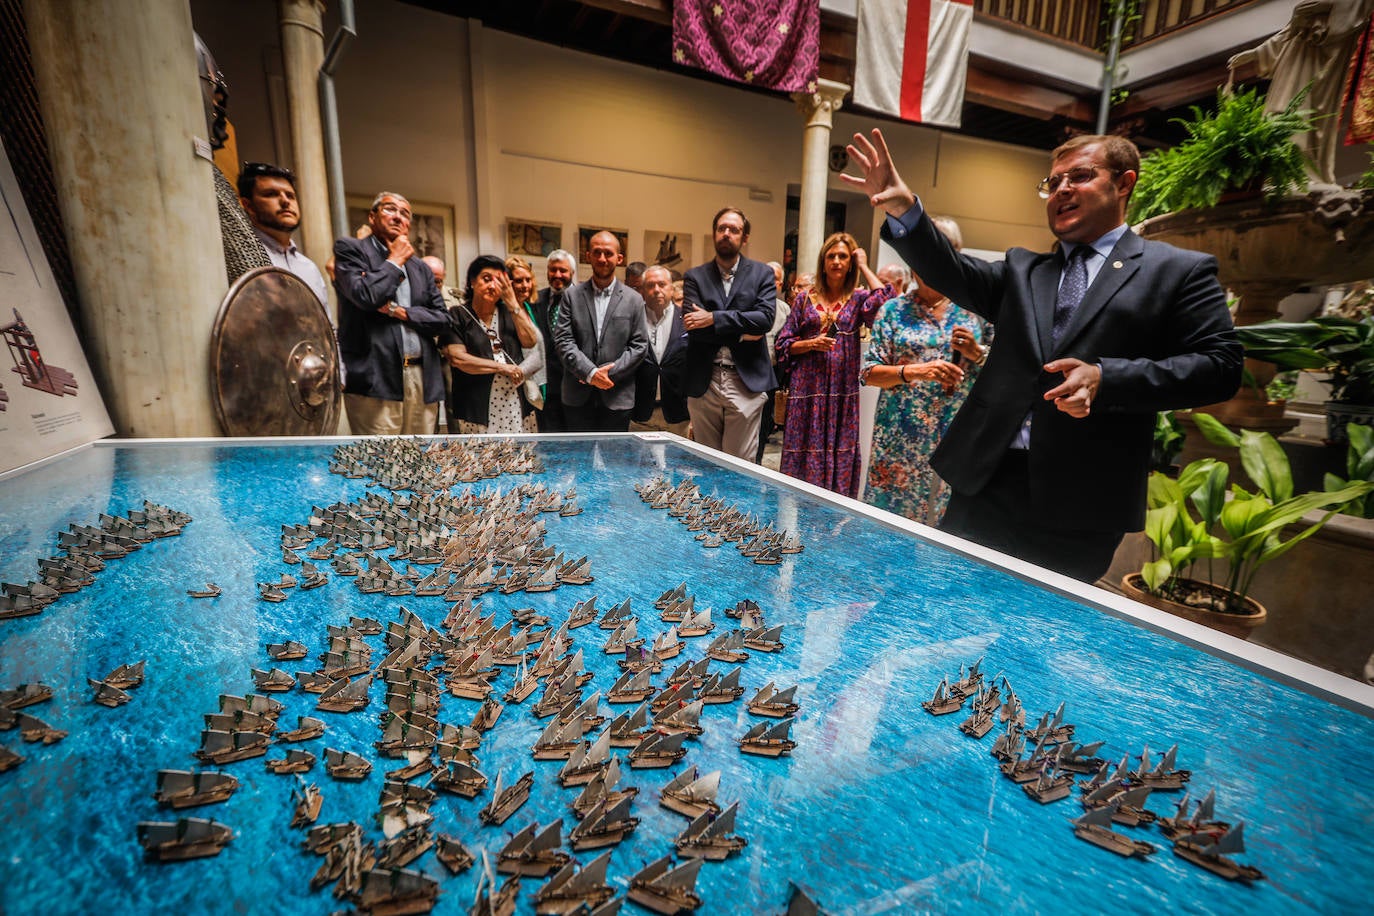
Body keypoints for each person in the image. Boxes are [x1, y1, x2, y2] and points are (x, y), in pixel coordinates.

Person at [842, 128, 1242, 581]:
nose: (1062, 189)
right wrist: (903, 208)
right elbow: (949, 270)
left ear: (1124, 182)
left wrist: (1107, 378)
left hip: (1082, 499)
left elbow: (1221, 366)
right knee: (946, 610)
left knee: (1037, 637)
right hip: (987, 483)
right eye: (1053, 183)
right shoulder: (1023, 270)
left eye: (1081, 176)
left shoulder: (1176, 271)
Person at [862, 267, 987, 525]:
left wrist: (977, 353)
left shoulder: (974, 311)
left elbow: (1007, 368)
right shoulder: (893, 311)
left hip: (956, 436)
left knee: (950, 531)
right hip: (899, 437)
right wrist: (916, 371)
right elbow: (869, 373)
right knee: (889, 529)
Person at [774, 232, 893, 496]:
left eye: (843, 256)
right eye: (831, 256)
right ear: (823, 261)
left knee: (840, 456)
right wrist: (811, 344)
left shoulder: (859, 298)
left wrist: (863, 264)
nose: (837, 261)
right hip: (807, 392)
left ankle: (833, 524)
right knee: (803, 461)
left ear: (850, 262)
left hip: (842, 393)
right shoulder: (804, 298)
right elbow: (782, 344)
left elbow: (885, 306)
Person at [333, 191, 452, 435]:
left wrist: (398, 311)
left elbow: (442, 320)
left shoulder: (421, 268)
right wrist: (395, 260)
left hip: (422, 379)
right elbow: (366, 296)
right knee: (381, 465)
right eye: (390, 209)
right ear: (372, 216)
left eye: (405, 213)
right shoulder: (351, 250)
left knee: (419, 463)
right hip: (377, 378)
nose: (398, 217)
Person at [1227, 0, 1374, 186]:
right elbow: (1290, 31)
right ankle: (1280, 175)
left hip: (1318, 59)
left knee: (1302, 117)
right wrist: (1256, 53)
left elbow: (1352, 12)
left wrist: (1314, 8)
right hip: (1293, 58)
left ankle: (1300, 174)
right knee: (1278, 117)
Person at [681, 207, 777, 461]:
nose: (726, 233)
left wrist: (712, 317)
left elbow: (765, 319)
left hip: (745, 381)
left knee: (739, 467)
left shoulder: (762, 274)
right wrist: (741, 333)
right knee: (706, 464)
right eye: (721, 228)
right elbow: (693, 327)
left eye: (733, 230)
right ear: (714, 234)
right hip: (705, 378)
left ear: (744, 238)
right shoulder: (695, 277)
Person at [552, 231, 649, 432]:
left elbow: (639, 346)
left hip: (617, 395)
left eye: (608, 253)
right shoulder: (571, 296)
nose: (602, 259)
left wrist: (605, 374)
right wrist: (589, 372)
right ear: (588, 256)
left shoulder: (634, 299)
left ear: (619, 258)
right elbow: (563, 340)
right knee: (578, 461)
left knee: (615, 461)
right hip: (577, 397)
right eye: (597, 252)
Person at [438, 255, 542, 434]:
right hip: (476, 405)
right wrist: (501, 368)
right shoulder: (458, 314)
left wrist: (512, 303)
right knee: (480, 458)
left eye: (498, 281)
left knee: (518, 458)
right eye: (486, 279)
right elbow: (458, 358)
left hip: (515, 403)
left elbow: (530, 341)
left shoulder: (509, 312)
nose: (493, 286)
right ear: (472, 281)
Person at [237, 161, 328, 306]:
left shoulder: (309, 268)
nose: (285, 201)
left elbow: (326, 327)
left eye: (290, 196)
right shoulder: (239, 260)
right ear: (248, 205)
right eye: (271, 194)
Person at [631, 265, 690, 437]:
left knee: (678, 464)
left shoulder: (687, 319)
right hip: (641, 413)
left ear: (671, 288)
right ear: (642, 290)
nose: (657, 290)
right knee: (639, 464)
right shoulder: (632, 318)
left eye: (662, 284)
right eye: (650, 285)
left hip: (678, 414)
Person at [530, 249, 577, 431]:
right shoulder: (535, 300)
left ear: (572, 273)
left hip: (575, 387)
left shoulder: (583, 299)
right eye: (553, 270)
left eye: (563, 270)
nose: (558, 275)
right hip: (545, 386)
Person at [756, 260, 792, 462]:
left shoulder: (785, 310)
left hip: (770, 377)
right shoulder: (747, 303)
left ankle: (757, 464)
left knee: (764, 426)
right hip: (744, 375)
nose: (770, 282)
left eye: (775, 279)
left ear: (781, 284)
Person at [506, 255, 546, 410]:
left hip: (533, 384)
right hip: (513, 387)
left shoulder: (528, 308)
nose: (525, 285)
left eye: (528, 280)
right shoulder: (504, 311)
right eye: (518, 281)